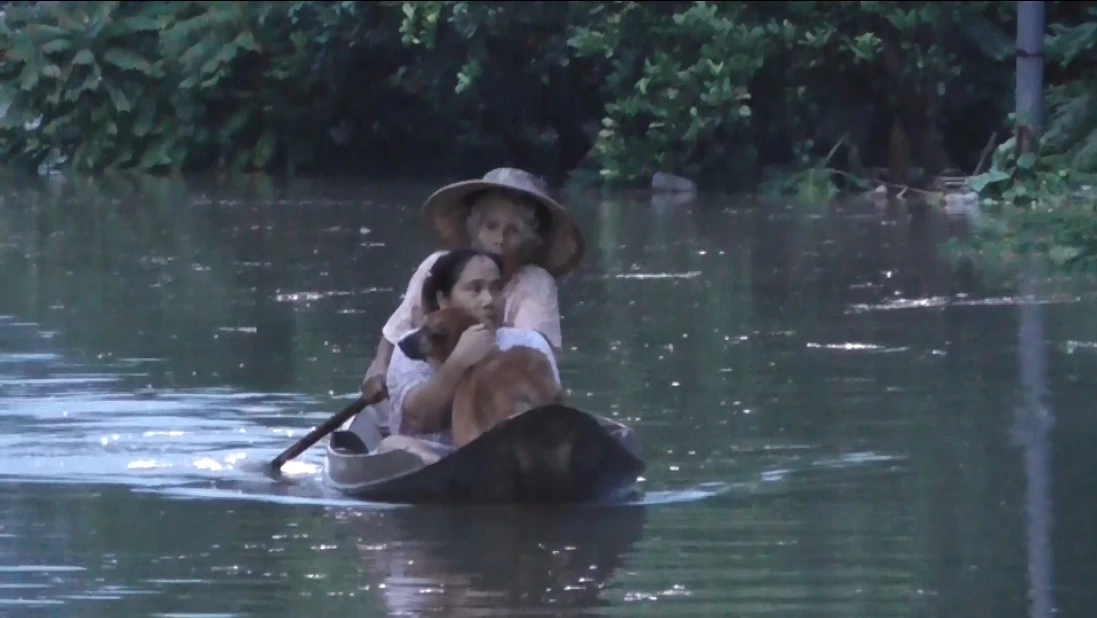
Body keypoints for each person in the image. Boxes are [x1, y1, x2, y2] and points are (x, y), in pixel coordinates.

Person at [354, 167, 585, 435]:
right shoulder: (437, 269)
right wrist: (380, 369)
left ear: (528, 238)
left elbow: (530, 352)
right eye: (492, 227)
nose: (500, 239)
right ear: (475, 228)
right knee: (401, 438)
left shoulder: (535, 286)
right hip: (428, 371)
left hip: (499, 395)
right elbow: (399, 330)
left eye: (513, 231)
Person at [373, 248, 562, 464]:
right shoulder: (415, 344)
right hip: (437, 457)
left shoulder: (529, 343)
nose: (489, 299)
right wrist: (459, 361)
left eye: (496, 288)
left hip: (515, 450)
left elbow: (551, 413)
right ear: (444, 299)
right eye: (475, 289)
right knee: (393, 444)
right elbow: (419, 420)